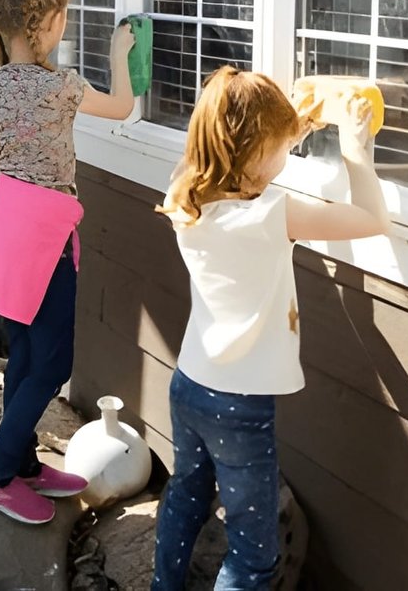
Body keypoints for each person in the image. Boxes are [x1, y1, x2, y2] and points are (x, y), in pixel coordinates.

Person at [150, 68, 390, 589]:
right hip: (240, 405)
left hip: (189, 383)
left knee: (187, 495)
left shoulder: (184, 197)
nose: (286, 156)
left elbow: (213, 155)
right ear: (257, 153)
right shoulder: (272, 214)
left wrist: (288, 130)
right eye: (279, 147)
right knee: (254, 555)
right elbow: (372, 219)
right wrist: (354, 149)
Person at [0, 0, 135, 523]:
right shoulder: (62, 85)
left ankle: (27, 464)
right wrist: (119, 59)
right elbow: (124, 108)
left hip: (7, 229)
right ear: (50, 23)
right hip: (47, 237)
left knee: (23, 356)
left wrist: (13, 195)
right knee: (53, 361)